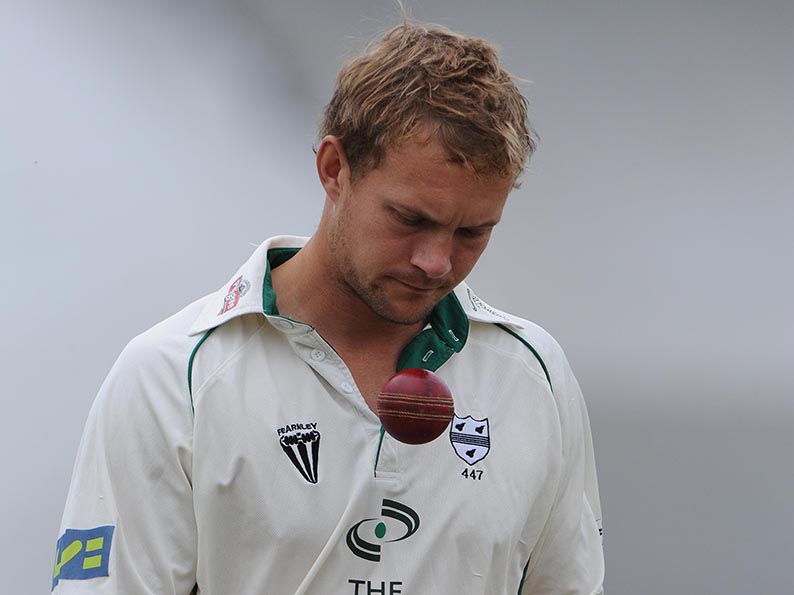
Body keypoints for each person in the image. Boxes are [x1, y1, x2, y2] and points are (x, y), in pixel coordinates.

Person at [53, 20, 604, 595]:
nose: (436, 261)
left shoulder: (535, 375)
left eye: (472, 232)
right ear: (334, 169)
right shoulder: (170, 378)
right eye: (410, 219)